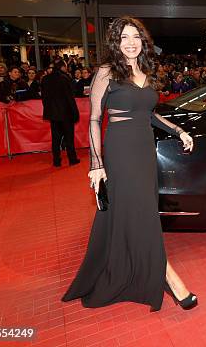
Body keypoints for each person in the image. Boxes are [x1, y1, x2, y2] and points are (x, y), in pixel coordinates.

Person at [62, 16, 197, 312]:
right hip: (120, 151)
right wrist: (96, 164)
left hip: (145, 150)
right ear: (116, 42)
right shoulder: (107, 72)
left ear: (143, 41)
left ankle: (134, 268)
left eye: (135, 37)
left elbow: (149, 114)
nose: (131, 43)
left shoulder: (147, 72)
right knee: (144, 218)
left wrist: (179, 130)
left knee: (141, 213)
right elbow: (95, 119)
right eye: (124, 38)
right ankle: (172, 280)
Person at [41, 59, 80, 167]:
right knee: (69, 138)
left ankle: (56, 161)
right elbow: (70, 98)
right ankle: (72, 159)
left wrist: (49, 110)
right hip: (66, 114)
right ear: (62, 67)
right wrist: (75, 113)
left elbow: (44, 98)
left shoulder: (45, 79)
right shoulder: (65, 78)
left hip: (53, 115)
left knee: (55, 139)